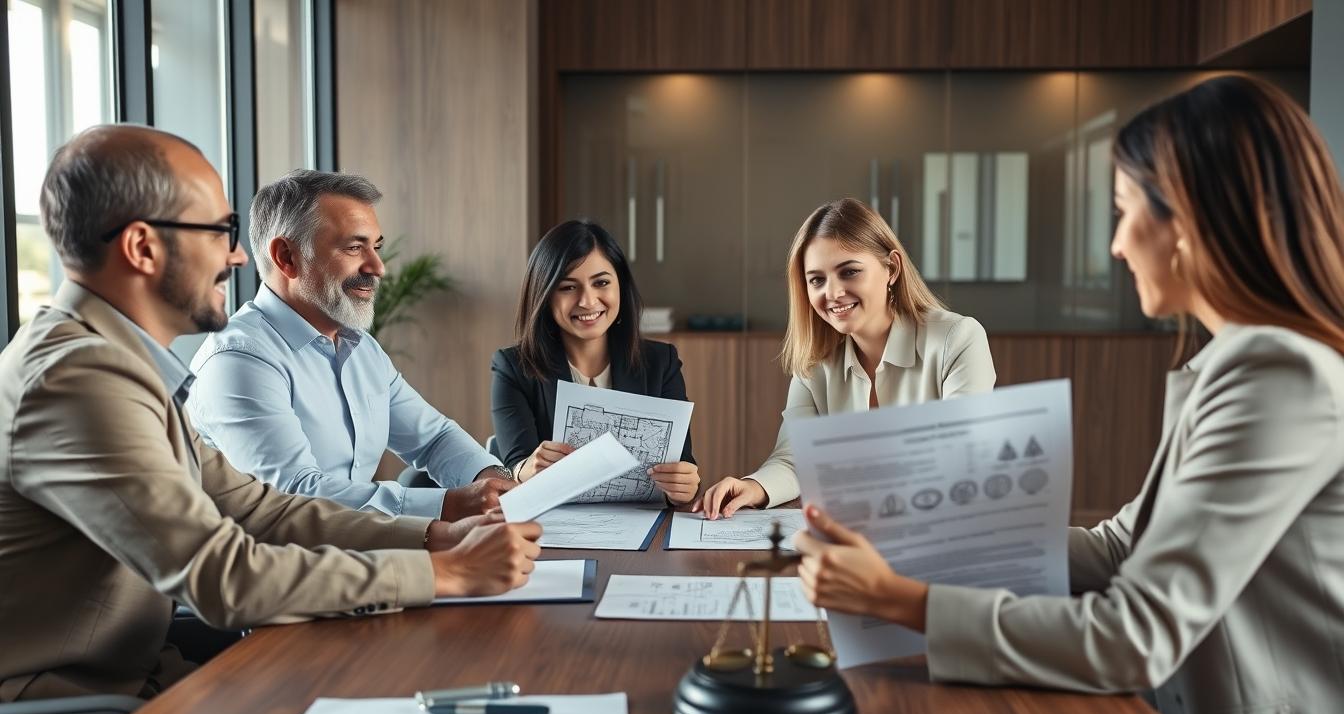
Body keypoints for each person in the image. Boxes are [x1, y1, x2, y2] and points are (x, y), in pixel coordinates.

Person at [793, 75, 1344, 714]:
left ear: (1190, 219)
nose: (1115, 246)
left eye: (1124, 210)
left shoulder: (1276, 376)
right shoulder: (1240, 363)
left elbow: (1134, 637)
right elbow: (1122, 546)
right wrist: (931, 540)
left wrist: (904, 599)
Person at [0, 125, 540, 702]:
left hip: (140, 672)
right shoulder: (78, 379)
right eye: (219, 231)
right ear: (141, 247)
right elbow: (222, 574)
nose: (236, 255)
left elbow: (257, 507)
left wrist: (436, 537)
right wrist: (443, 573)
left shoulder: (119, 366)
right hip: (71, 703)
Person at [188, 170, 515, 521]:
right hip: (275, 567)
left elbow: (433, 438)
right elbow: (294, 495)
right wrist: (444, 505)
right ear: (287, 256)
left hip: (350, 556)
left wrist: (496, 481)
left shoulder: (362, 349)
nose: (378, 268)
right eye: (354, 247)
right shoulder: (239, 359)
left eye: (376, 247)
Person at [696, 198, 996, 519]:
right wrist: (755, 487)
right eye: (817, 280)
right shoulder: (816, 361)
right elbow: (796, 456)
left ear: (891, 269)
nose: (833, 293)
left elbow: (962, 458)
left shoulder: (958, 338)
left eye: (849, 272)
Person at [491, 219, 699, 505]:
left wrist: (684, 488)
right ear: (544, 295)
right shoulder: (513, 367)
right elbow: (514, 464)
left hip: (642, 528)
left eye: (601, 283)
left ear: (620, 287)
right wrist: (523, 470)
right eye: (567, 287)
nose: (588, 301)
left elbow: (682, 467)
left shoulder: (661, 363)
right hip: (553, 531)